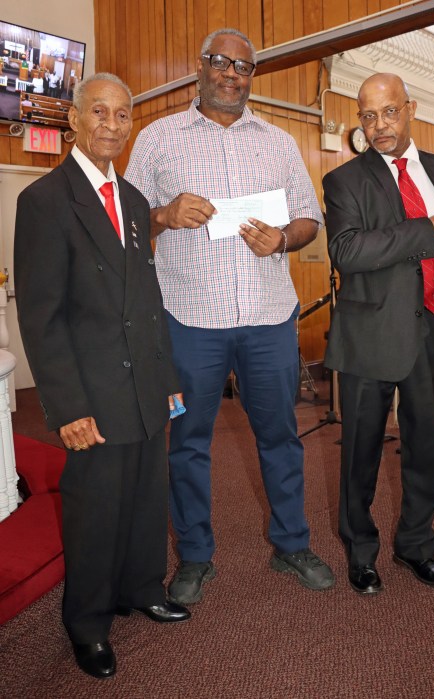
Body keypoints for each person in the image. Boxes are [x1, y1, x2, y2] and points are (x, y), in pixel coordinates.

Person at [125, 28, 335, 605]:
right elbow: (126, 220)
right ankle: (194, 556)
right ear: (202, 66)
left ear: (251, 76)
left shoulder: (278, 142)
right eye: (221, 63)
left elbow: (307, 219)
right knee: (188, 442)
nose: (231, 74)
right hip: (190, 319)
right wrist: (164, 213)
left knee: (281, 437)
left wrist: (282, 239)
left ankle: (291, 544)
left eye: (243, 67)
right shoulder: (156, 138)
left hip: (268, 316)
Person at [14, 72, 191, 680]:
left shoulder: (138, 203)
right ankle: (87, 623)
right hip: (89, 392)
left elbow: (147, 296)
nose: (112, 126)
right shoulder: (41, 201)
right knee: (94, 508)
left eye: (122, 115)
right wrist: (65, 408)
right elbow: (42, 317)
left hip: (143, 384)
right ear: (74, 120)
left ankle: (141, 587)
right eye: (100, 113)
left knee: (145, 496)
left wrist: (165, 377)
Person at [322, 73, 434, 595]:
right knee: (361, 452)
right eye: (368, 116)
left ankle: (418, 546)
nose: (380, 126)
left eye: (390, 112)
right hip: (369, 336)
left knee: (425, 447)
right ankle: (361, 550)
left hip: (433, 327)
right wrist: (426, 229)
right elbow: (348, 252)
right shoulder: (345, 181)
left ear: (410, 109)